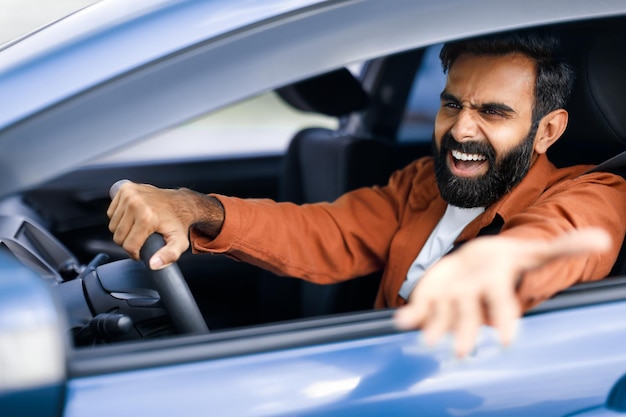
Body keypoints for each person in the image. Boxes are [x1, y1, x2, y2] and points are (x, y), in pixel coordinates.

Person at [107, 31, 626, 357]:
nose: (462, 130)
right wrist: (196, 208)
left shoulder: (593, 191)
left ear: (547, 131)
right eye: (452, 106)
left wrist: (497, 265)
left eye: (493, 112)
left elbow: (566, 234)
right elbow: (325, 233)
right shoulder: (423, 182)